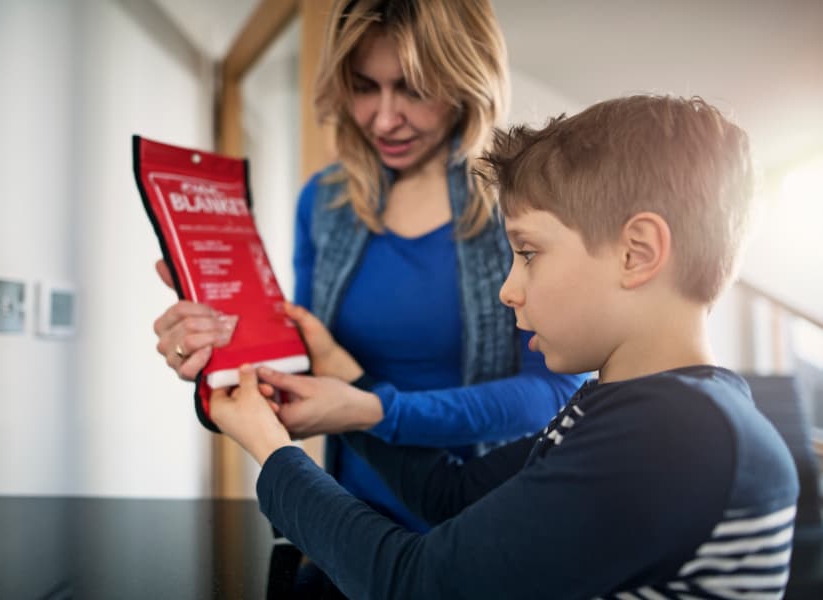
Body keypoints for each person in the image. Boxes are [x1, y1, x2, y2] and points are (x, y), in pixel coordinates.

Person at [208, 95, 799, 599]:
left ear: (636, 252)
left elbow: (416, 587)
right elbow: (450, 496)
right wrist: (350, 392)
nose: (507, 288)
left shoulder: (678, 435)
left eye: (529, 253)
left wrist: (270, 447)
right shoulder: (627, 411)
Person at [152, 0, 584, 532]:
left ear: (468, 78)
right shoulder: (326, 202)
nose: (384, 118)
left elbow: (558, 394)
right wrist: (222, 345)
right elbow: (309, 362)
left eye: (415, 89)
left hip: (482, 525)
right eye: (362, 86)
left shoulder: (522, 205)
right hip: (350, 520)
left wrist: (377, 410)